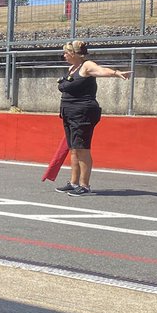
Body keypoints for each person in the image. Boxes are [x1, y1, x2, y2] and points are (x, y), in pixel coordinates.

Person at [53, 40, 130, 197]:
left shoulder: (86, 65)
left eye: (66, 53)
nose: (64, 55)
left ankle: (85, 185)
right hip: (69, 112)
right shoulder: (71, 68)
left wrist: (116, 73)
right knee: (73, 148)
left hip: (83, 112)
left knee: (82, 148)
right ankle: (74, 183)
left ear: (74, 54)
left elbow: (100, 71)